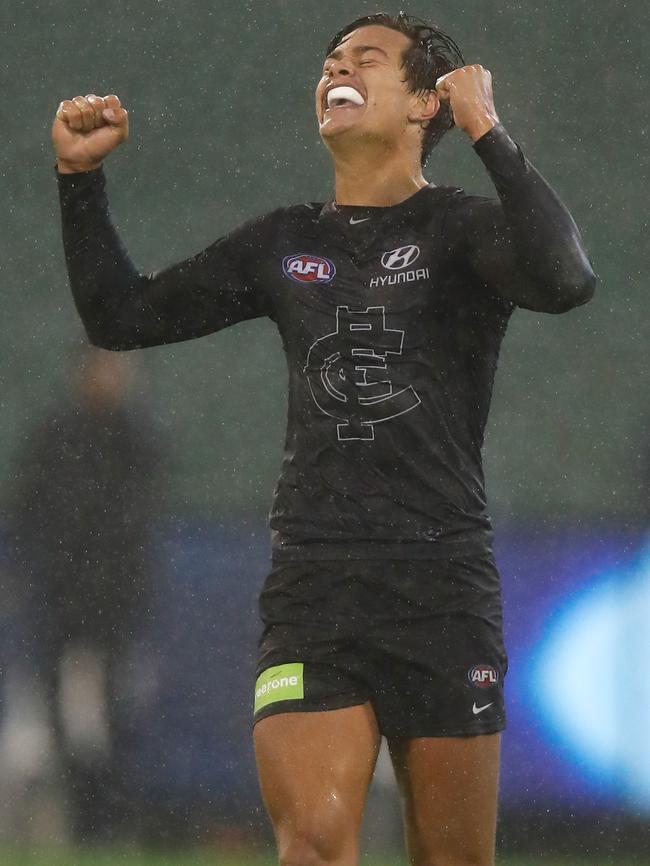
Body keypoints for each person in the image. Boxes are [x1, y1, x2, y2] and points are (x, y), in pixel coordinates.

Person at [51, 11, 595, 866]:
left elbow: (566, 279)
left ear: (426, 102)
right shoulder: (285, 241)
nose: (336, 69)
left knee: (455, 857)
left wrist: (489, 131)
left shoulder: (461, 229)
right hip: (315, 585)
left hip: (442, 586)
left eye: (365, 59)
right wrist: (78, 181)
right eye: (330, 59)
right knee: (310, 843)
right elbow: (120, 317)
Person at [9, 346, 165, 841]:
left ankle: (112, 818)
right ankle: (81, 817)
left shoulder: (135, 439)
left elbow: (138, 521)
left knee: (118, 713)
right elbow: (28, 510)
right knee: (60, 712)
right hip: (62, 599)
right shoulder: (56, 436)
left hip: (115, 603)